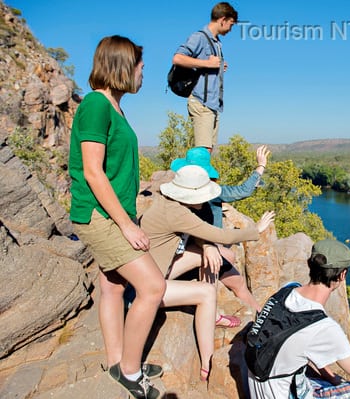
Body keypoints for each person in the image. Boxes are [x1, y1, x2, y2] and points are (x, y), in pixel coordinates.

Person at [69, 35, 165, 399]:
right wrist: (126, 225)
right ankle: (130, 370)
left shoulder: (114, 106)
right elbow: (92, 172)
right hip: (99, 216)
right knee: (153, 287)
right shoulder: (95, 104)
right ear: (123, 65)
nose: (143, 73)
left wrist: (130, 216)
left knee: (112, 286)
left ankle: (117, 362)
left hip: (115, 214)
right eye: (141, 66)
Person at [140, 165, 275, 381]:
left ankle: (211, 313)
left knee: (209, 255)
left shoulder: (171, 205)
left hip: (153, 268)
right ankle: (208, 361)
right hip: (146, 286)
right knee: (206, 293)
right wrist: (256, 230)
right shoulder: (178, 213)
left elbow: (199, 234)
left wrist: (207, 247)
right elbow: (219, 234)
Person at [247, 239, 350, 399]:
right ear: (342, 275)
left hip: (267, 388)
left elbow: (302, 345)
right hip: (289, 393)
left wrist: (333, 379)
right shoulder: (323, 327)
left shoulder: (286, 291)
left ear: (310, 265)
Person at [170, 145, 270, 313]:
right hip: (196, 251)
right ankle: (211, 309)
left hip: (198, 248)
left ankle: (261, 316)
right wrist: (260, 166)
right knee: (226, 258)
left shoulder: (175, 194)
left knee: (231, 264)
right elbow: (243, 191)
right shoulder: (212, 193)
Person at [172, 2, 238, 152]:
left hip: (212, 104)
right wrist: (208, 64)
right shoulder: (199, 37)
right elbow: (178, 58)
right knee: (203, 152)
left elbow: (209, 66)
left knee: (207, 151)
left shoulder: (216, 43)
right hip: (201, 102)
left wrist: (219, 66)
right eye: (231, 24)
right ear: (222, 20)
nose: (230, 28)